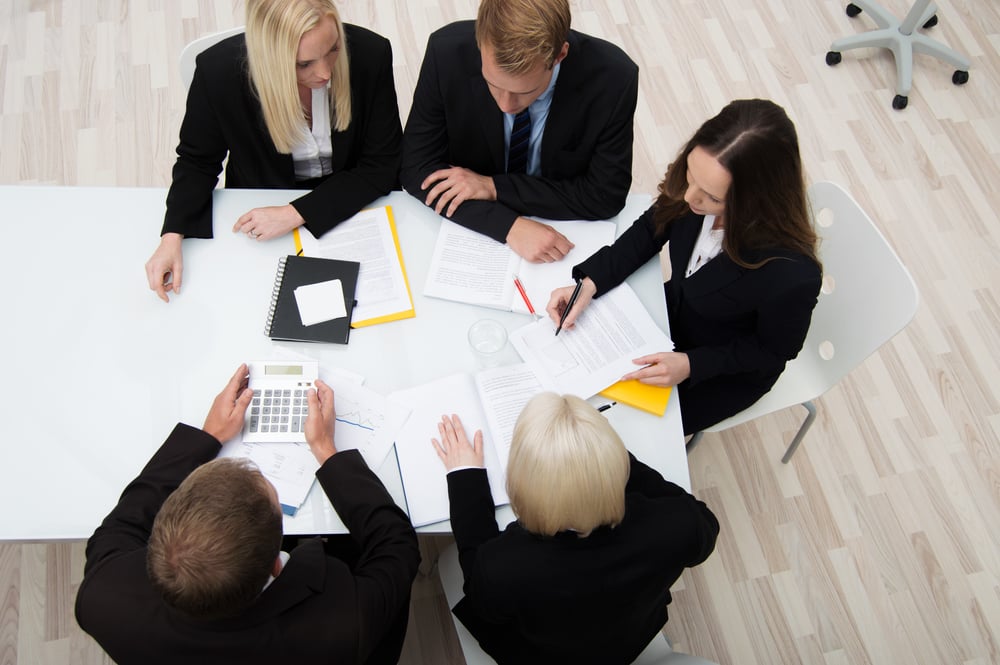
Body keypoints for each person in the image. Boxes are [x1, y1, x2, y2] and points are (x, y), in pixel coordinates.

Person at [75, 364, 420, 665]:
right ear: (276, 562)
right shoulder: (345, 625)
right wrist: (327, 452)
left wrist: (208, 437)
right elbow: (397, 545)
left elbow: (128, 515)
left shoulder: (101, 597)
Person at [548, 99, 823, 435]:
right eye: (690, 175)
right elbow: (654, 226)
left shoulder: (792, 274)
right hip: (671, 317)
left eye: (711, 197)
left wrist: (691, 365)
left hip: (720, 369)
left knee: (619, 435)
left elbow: (774, 350)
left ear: (755, 200)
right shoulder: (698, 188)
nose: (690, 198)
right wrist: (591, 282)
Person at [432, 393, 719, 664]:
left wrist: (464, 478)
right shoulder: (681, 525)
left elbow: (481, 595)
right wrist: (602, 458)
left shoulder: (503, 566)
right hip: (630, 636)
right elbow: (702, 521)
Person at [145, 0, 402, 302]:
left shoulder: (370, 53)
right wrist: (173, 235)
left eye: (332, 49)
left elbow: (383, 164)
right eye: (304, 64)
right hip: (262, 206)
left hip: (354, 200)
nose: (325, 74)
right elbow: (198, 161)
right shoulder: (218, 74)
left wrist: (295, 213)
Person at [401, 0, 639, 263]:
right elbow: (417, 168)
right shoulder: (445, 53)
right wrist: (507, 225)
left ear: (559, 55)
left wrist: (494, 187)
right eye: (492, 84)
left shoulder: (614, 79)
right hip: (470, 234)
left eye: (524, 92)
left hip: (563, 237)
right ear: (480, 44)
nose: (505, 105)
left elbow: (605, 196)